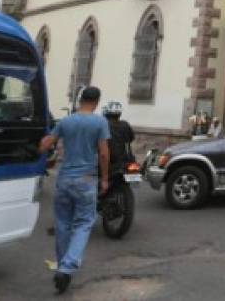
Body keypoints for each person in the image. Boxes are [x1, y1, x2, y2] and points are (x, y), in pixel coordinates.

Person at [38, 86, 110, 294]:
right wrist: (104, 179)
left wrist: (35, 151)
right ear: (96, 101)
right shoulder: (99, 122)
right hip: (86, 179)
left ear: (80, 100)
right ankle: (67, 268)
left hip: (64, 179)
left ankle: (62, 267)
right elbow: (104, 154)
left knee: (63, 224)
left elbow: (46, 143)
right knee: (83, 224)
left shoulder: (66, 121)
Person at [101, 101, 135, 169]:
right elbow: (131, 138)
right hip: (127, 161)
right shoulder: (125, 124)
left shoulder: (103, 125)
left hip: (109, 162)